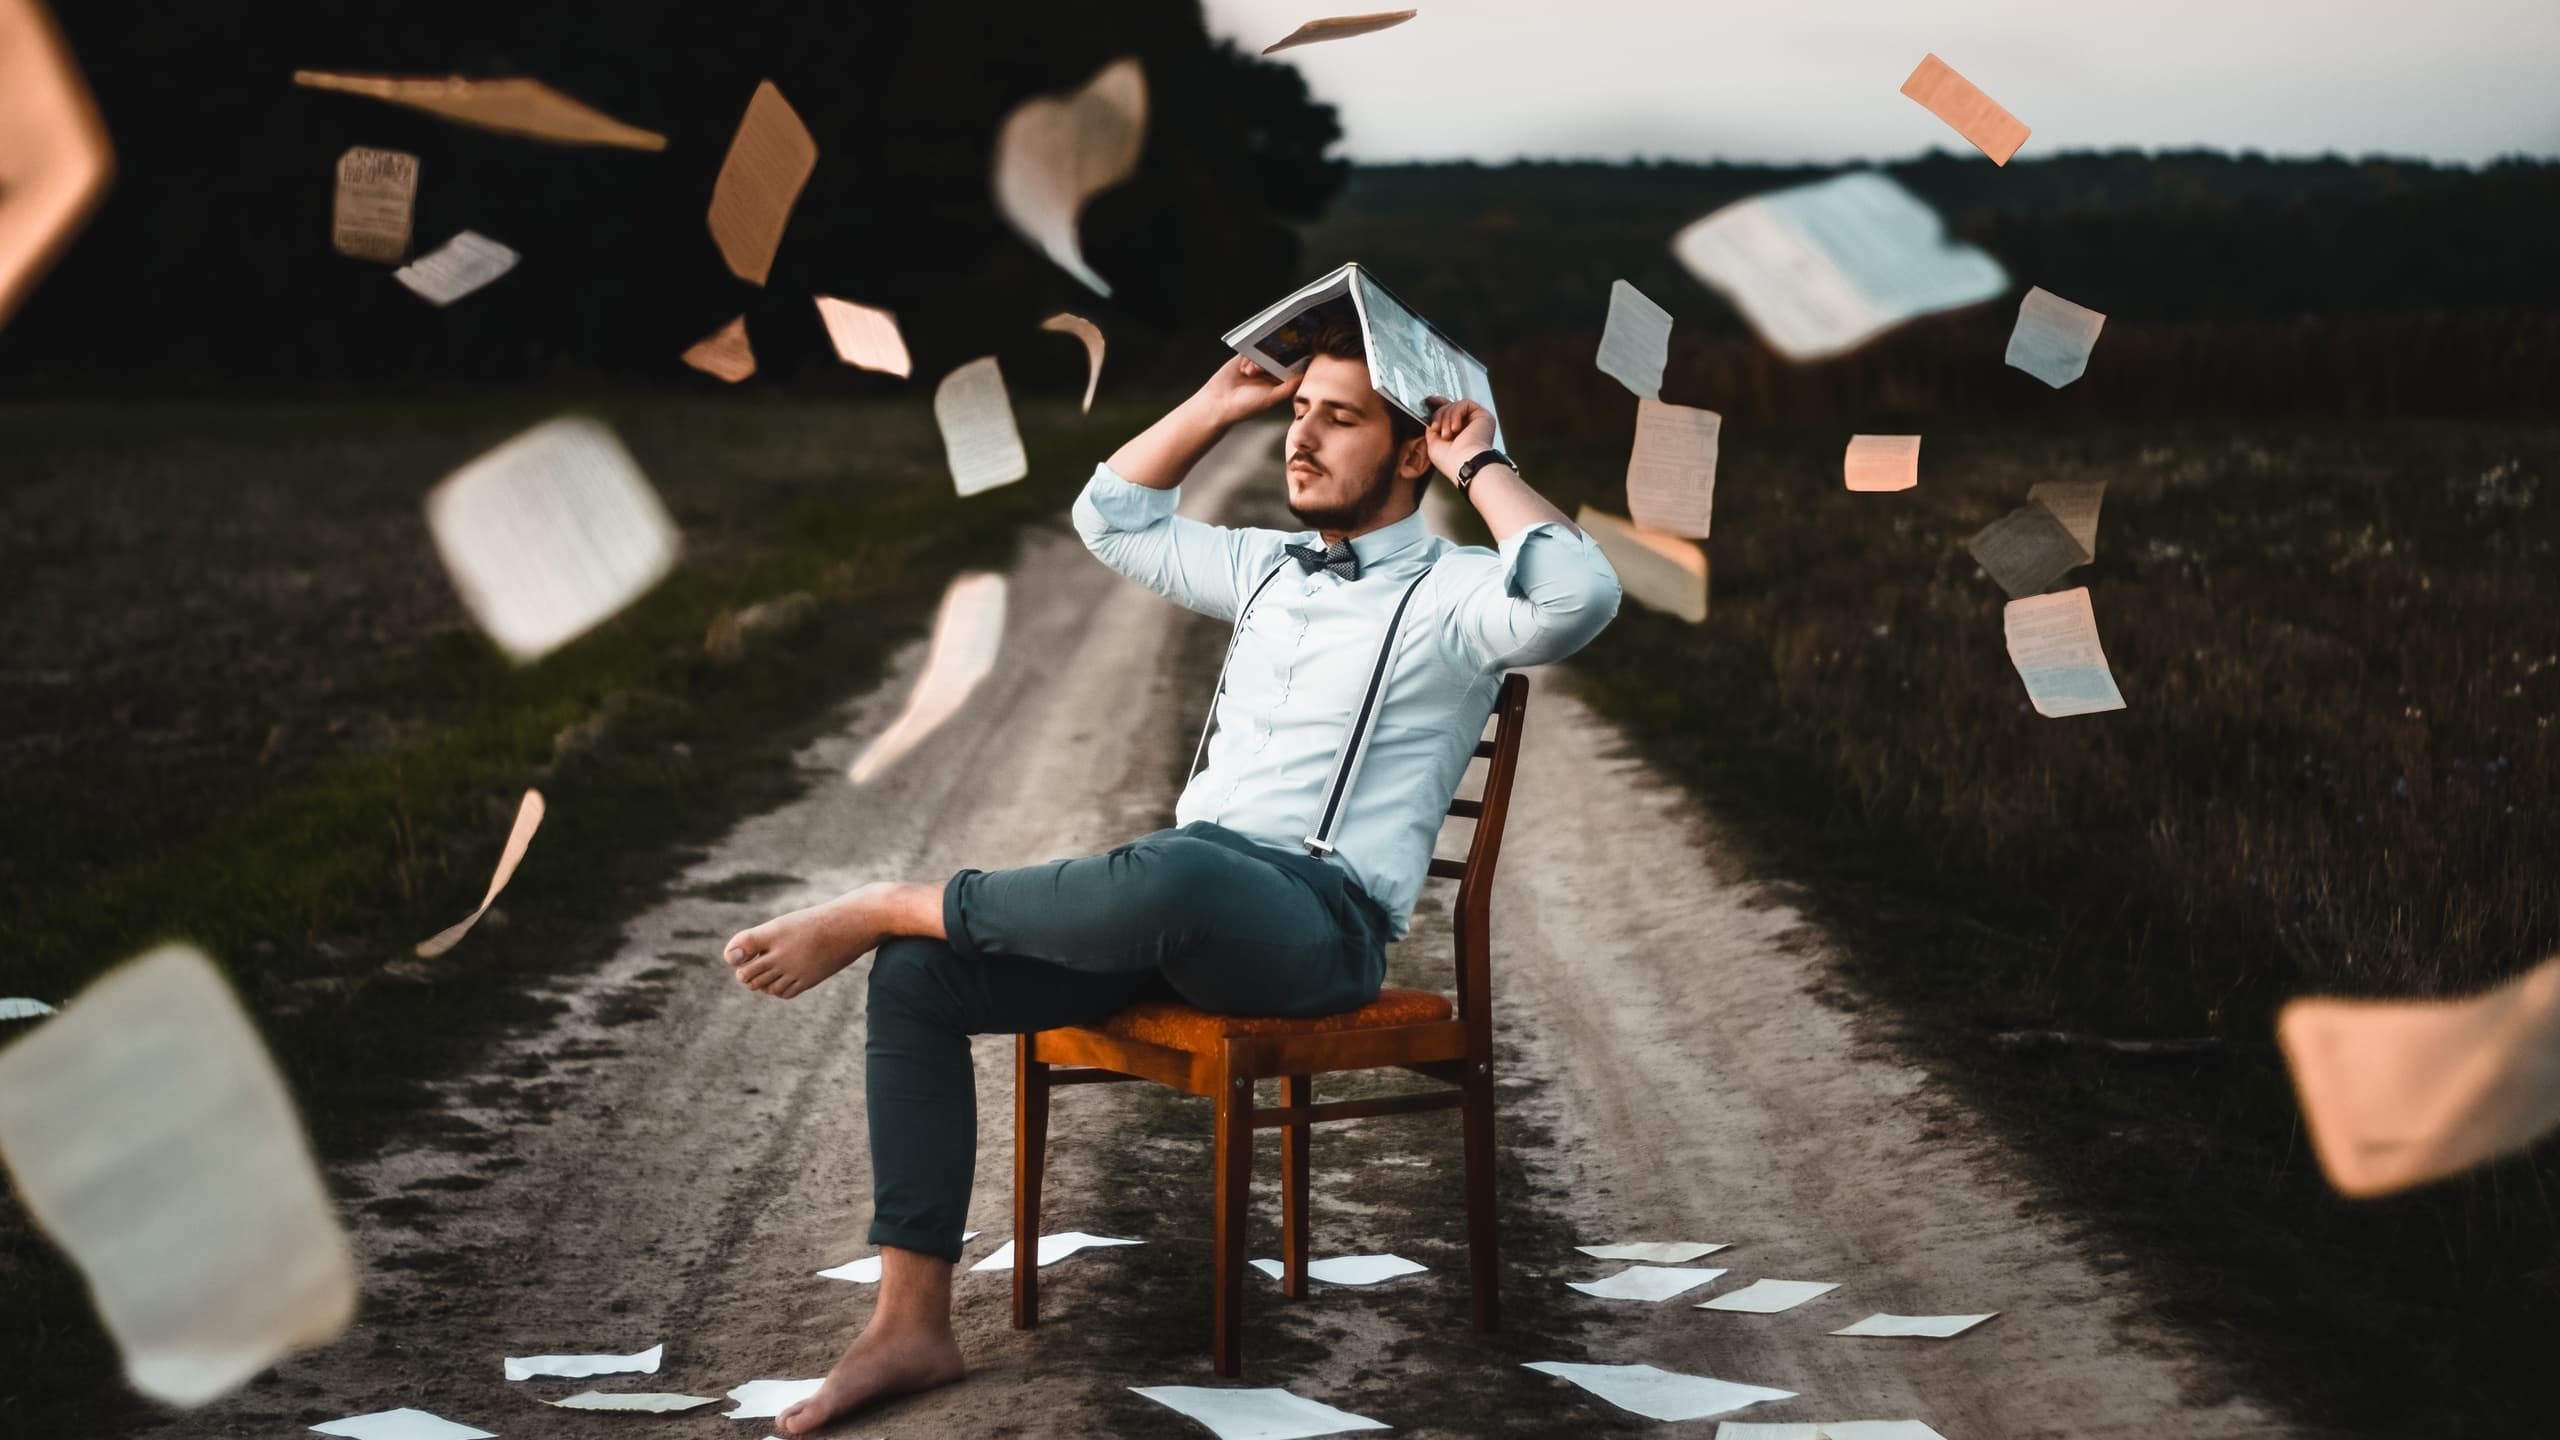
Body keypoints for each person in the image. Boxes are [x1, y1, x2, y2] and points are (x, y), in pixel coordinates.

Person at [721, 312, 1622, 1434]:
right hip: (1185, 906)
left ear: (1411, 449)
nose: (1302, 440)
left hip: (1313, 928)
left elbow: (1579, 598)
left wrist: (1481, 461)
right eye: (1298, 413)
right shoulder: (1262, 566)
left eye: (1337, 420)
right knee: (920, 979)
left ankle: (895, 901)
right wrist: (1217, 404)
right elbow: (1109, 518)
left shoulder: (1458, 593)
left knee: (1166, 879)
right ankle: (910, 1328)